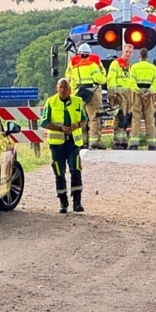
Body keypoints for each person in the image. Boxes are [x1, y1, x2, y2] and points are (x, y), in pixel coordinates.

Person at [41, 78, 86, 213]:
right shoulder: (51, 102)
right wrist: (59, 129)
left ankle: (77, 202)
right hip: (57, 145)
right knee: (59, 173)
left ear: (69, 89)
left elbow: (84, 120)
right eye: (60, 87)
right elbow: (44, 122)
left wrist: (76, 126)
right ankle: (63, 202)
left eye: (65, 87)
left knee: (75, 170)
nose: (63, 90)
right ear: (57, 88)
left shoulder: (78, 102)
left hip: (73, 143)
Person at [65, 43, 106, 149]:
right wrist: (103, 77)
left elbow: (71, 81)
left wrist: (74, 93)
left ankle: (83, 142)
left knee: (81, 119)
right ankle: (94, 142)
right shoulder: (92, 65)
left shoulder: (75, 66)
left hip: (79, 94)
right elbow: (100, 79)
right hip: (92, 93)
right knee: (94, 118)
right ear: (89, 54)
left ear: (79, 54)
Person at [129, 48, 156, 149]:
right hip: (149, 96)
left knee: (136, 119)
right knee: (149, 119)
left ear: (139, 56)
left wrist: (139, 92)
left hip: (137, 96)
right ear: (147, 57)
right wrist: (148, 92)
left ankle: (134, 144)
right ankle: (151, 144)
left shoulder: (134, 67)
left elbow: (132, 82)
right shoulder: (153, 68)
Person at [106, 44, 134, 149]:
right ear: (123, 51)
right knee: (120, 117)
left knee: (126, 118)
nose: (128, 54)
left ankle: (123, 141)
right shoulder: (116, 64)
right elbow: (111, 78)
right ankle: (117, 142)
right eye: (126, 52)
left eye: (130, 52)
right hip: (119, 94)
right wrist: (112, 92)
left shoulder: (129, 65)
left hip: (128, 94)